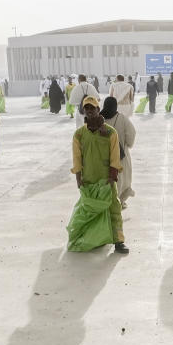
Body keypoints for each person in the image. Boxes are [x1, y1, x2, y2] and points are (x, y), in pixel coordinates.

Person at [71, 96, 128, 254]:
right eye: (87, 108)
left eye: (92, 108)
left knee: (113, 209)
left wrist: (112, 177)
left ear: (98, 109)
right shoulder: (79, 135)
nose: (90, 111)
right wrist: (78, 178)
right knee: (89, 211)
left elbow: (115, 157)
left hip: (106, 179)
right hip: (89, 179)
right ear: (84, 111)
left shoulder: (110, 132)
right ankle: (94, 238)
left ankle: (119, 241)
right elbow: (77, 158)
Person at [100, 96, 136, 208]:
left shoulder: (99, 118)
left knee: (106, 178)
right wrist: (128, 144)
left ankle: (107, 201)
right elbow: (131, 134)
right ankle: (119, 200)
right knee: (122, 178)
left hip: (103, 155)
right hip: (121, 155)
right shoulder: (122, 119)